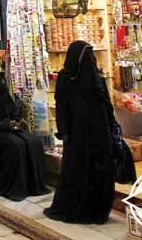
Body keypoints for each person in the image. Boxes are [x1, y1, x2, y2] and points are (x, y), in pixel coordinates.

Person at [44, 41, 116, 224]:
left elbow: (106, 105)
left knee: (97, 170)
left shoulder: (95, 78)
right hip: (78, 135)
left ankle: (97, 208)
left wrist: (112, 126)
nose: (90, 61)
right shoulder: (67, 79)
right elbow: (62, 107)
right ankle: (83, 208)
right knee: (79, 170)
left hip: (97, 134)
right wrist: (64, 131)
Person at [0, 72, 47, 202]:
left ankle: (33, 185)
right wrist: (4, 124)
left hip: (10, 129)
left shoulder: (6, 97)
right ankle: (15, 186)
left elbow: (14, 113)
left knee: (33, 142)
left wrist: (17, 121)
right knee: (16, 145)